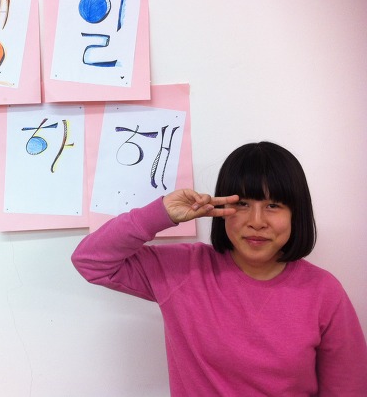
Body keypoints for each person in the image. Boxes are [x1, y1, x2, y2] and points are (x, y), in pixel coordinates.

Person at [72, 141, 367, 396]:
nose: (256, 221)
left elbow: (348, 388)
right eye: (243, 204)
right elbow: (90, 261)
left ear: (296, 213)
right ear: (221, 209)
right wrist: (160, 213)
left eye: (273, 205)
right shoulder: (183, 270)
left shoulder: (323, 291)